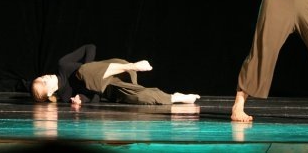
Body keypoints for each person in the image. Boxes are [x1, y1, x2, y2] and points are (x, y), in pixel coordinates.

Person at [31, 44, 200, 106]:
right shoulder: (66, 96)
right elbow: (96, 97)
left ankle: (133, 65)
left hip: (115, 68)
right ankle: (175, 97)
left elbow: (90, 47)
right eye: (44, 82)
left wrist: (89, 66)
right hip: (109, 86)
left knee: (83, 72)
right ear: (50, 92)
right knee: (139, 98)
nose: (46, 77)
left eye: (42, 77)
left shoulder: (62, 64)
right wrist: (81, 98)